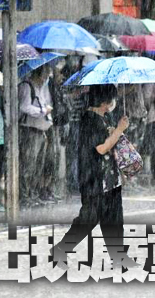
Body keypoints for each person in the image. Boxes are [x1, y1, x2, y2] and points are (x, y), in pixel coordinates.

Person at [52, 84, 137, 269]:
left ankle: (119, 257)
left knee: (114, 219)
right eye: (111, 99)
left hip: (109, 179)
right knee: (88, 219)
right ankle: (61, 250)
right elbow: (101, 148)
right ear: (104, 102)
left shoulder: (104, 118)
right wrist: (119, 130)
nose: (113, 103)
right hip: (95, 180)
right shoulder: (89, 120)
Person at [18, 65, 53, 207]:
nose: (44, 80)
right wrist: (43, 111)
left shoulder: (41, 88)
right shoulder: (26, 87)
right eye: (43, 76)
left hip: (41, 130)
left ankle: (33, 193)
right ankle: (24, 196)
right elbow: (24, 107)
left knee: (38, 165)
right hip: (30, 130)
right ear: (36, 75)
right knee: (28, 165)